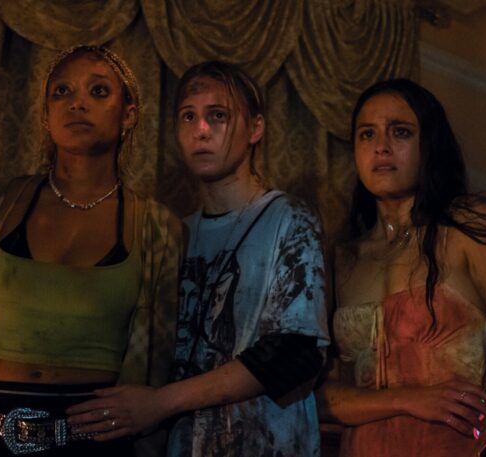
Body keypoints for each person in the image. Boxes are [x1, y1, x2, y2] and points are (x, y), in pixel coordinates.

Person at [0, 45, 183, 457]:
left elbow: (159, 362)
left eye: (98, 91)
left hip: (94, 445)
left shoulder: (157, 226)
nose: (77, 102)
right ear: (45, 116)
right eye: (62, 91)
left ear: (128, 115)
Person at [63, 61, 329, 457]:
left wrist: (161, 403)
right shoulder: (173, 233)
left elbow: (296, 352)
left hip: (264, 445)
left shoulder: (288, 218)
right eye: (189, 116)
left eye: (218, 116)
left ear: (255, 128)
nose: (201, 130)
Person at [316, 79, 486, 457]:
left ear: (429, 144)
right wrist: (407, 398)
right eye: (367, 134)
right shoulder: (342, 257)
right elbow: (316, 396)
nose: (381, 146)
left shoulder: (468, 225)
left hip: (458, 445)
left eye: (400, 131)